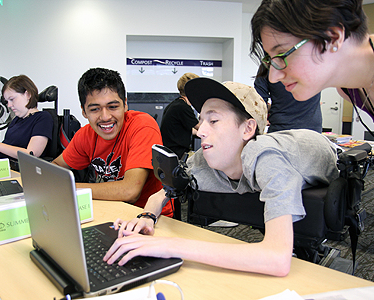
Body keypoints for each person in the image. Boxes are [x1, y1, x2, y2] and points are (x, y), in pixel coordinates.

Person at [102, 78, 339, 277]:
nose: (202, 130)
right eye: (202, 119)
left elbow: (277, 258)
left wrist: (170, 246)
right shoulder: (203, 159)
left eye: (213, 120)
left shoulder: (268, 158)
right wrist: (147, 217)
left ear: (247, 129)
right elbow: (163, 191)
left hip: (317, 147)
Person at [250, 0, 374, 150]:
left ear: (333, 37)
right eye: (271, 59)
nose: (274, 77)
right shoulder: (348, 89)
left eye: (282, 54)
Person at [52, 68, 173, 217]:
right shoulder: (85, 135)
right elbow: (56, 166)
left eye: (113, 107)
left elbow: (130, 191)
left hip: (150, 215)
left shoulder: (143, 126)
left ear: (125, 104)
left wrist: (69, 188)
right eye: (95, 109)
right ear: (84, 111)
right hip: (110, 211)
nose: (105, 116)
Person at [0, 75, 53, 164]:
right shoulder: (16, 121)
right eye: (7, 101)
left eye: (12, 99)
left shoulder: (43, 118)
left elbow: (31, 153)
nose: (9, 105)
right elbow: (4, 150)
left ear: (28, 94)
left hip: (21, 172)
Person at [254, 64, 322, 133]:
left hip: (281, 129)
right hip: (312, 129)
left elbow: (259, 104)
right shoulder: (315, 62)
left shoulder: (268, 65)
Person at [160, 72, 200, 159]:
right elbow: (200, 128)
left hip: (171, 152)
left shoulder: (176, 104)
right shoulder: (183, 107)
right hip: (178, 155)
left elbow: (188, 129)